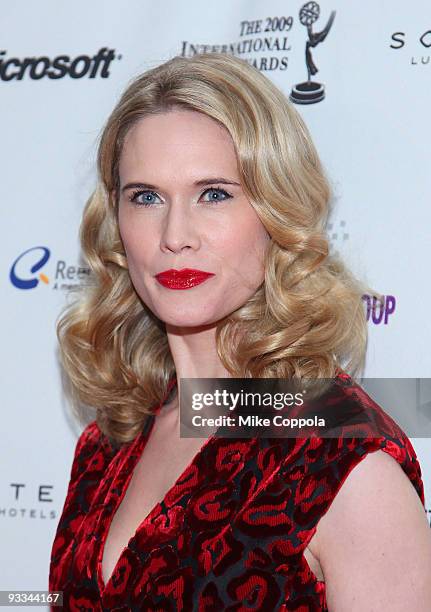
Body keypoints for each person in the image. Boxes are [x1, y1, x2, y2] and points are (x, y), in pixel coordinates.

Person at [48, 52, 431, 611]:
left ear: (276, 211)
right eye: (146, 197)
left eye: (215, 194)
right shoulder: (108, 443)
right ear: (116, 220)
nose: (175, 235)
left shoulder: (341, 462)